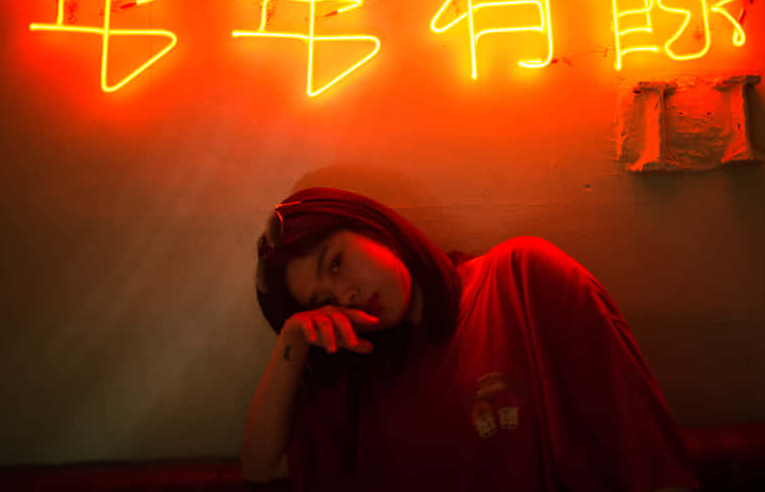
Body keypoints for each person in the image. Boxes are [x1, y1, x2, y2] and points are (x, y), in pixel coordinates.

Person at [242, 187, 699, 492]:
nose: (347, 295)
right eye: (324, 300)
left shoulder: (522, 279)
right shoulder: (361, 373)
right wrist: (295, 338)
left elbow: (648, 454)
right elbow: (262, 468)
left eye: (336, 263)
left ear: (373, 226)